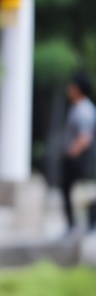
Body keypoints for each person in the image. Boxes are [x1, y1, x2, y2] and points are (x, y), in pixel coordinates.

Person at [60, 71, 96, 232]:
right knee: (79, 190)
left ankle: (78, 225)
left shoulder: (83, 109)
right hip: (80, 158)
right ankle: (82, 225)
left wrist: (71, 152)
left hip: (79, 158)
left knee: (80, 190)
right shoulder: (81, 107)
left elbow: (84, 137)